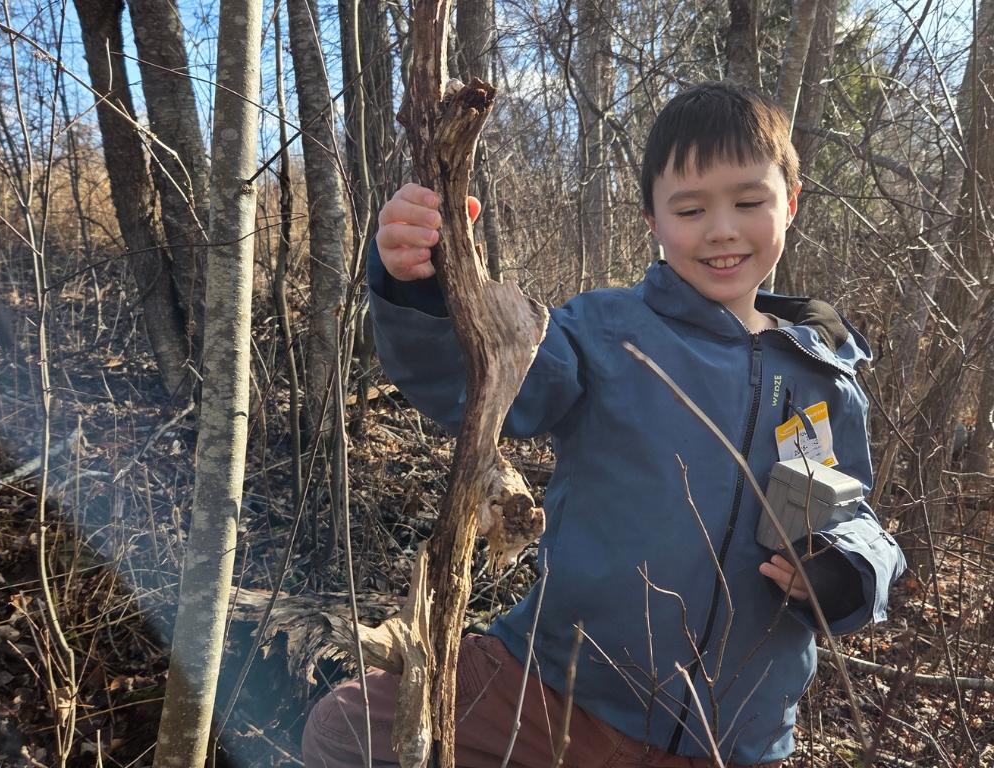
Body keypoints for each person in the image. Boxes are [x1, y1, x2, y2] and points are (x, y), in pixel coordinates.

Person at [302, 81, 906, 768]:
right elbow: (491, 382)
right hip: (557, 684)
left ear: (789, 203)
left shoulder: (824, 377)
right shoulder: (606, 331)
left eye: (749, 201)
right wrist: (421, 285)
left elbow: (858, 520)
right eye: (690, 208)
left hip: (732, 738)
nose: (722, 229)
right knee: (347, 727)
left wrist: (843, 574)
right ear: (652, 219)